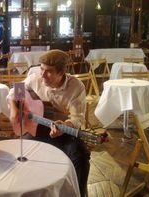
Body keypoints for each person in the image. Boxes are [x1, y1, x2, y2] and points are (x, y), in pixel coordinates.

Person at [8, 49, 90, 197]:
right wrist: (14, 109)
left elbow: (78, 118)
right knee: (21, 152)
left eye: (49, 71)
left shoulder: (76, 87)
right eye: (41, 69)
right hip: (38, 128)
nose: (43, 75)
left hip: (63, 130)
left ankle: (79, 193)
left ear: (62, 72)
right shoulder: (35, 78)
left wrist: (66, 126)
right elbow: (16, 91)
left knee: (81, 155)